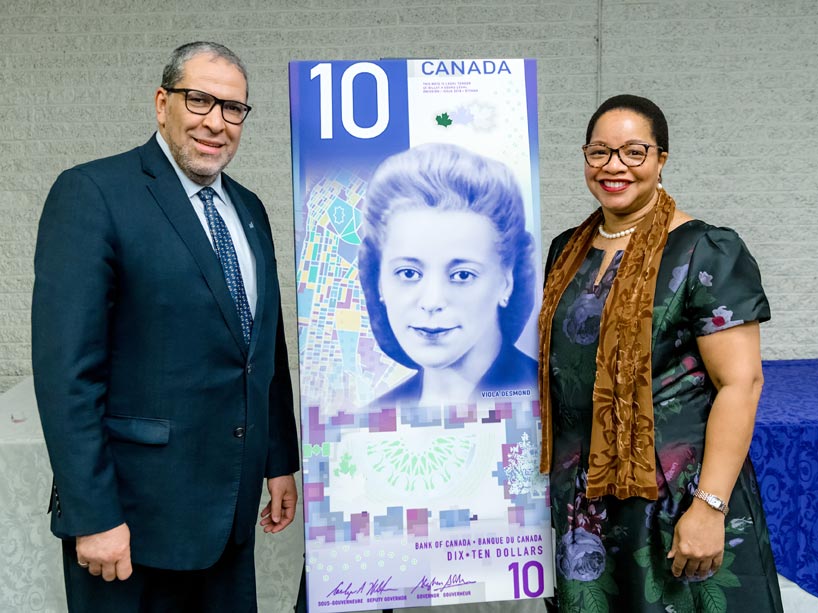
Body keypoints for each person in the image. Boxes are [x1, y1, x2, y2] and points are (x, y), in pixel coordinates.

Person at [31, 41, 300, 611]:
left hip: (229, 512)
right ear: (162, 102)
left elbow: (261, 348)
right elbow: (66, 376)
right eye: (198, 100)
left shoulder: (249, 209)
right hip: (131, 524)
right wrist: (93, 514)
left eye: (233, 109)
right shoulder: (94, 194)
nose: (216, 122)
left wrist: (279, 462)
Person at [538, 94, 783, 611]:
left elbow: (742, 383)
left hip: (677, 499)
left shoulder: (706, 249)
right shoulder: (567, 251)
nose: (614, 167)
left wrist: (709, 507)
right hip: (585, 502)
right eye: (600, 152)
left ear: (660, 159)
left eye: (633, 151)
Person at [358, 143, 538, 407]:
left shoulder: (551, 402)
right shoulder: (367, 422)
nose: (432, 302)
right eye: (408, 273)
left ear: (506, 281)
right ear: (379, 282)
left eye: (462, 275)